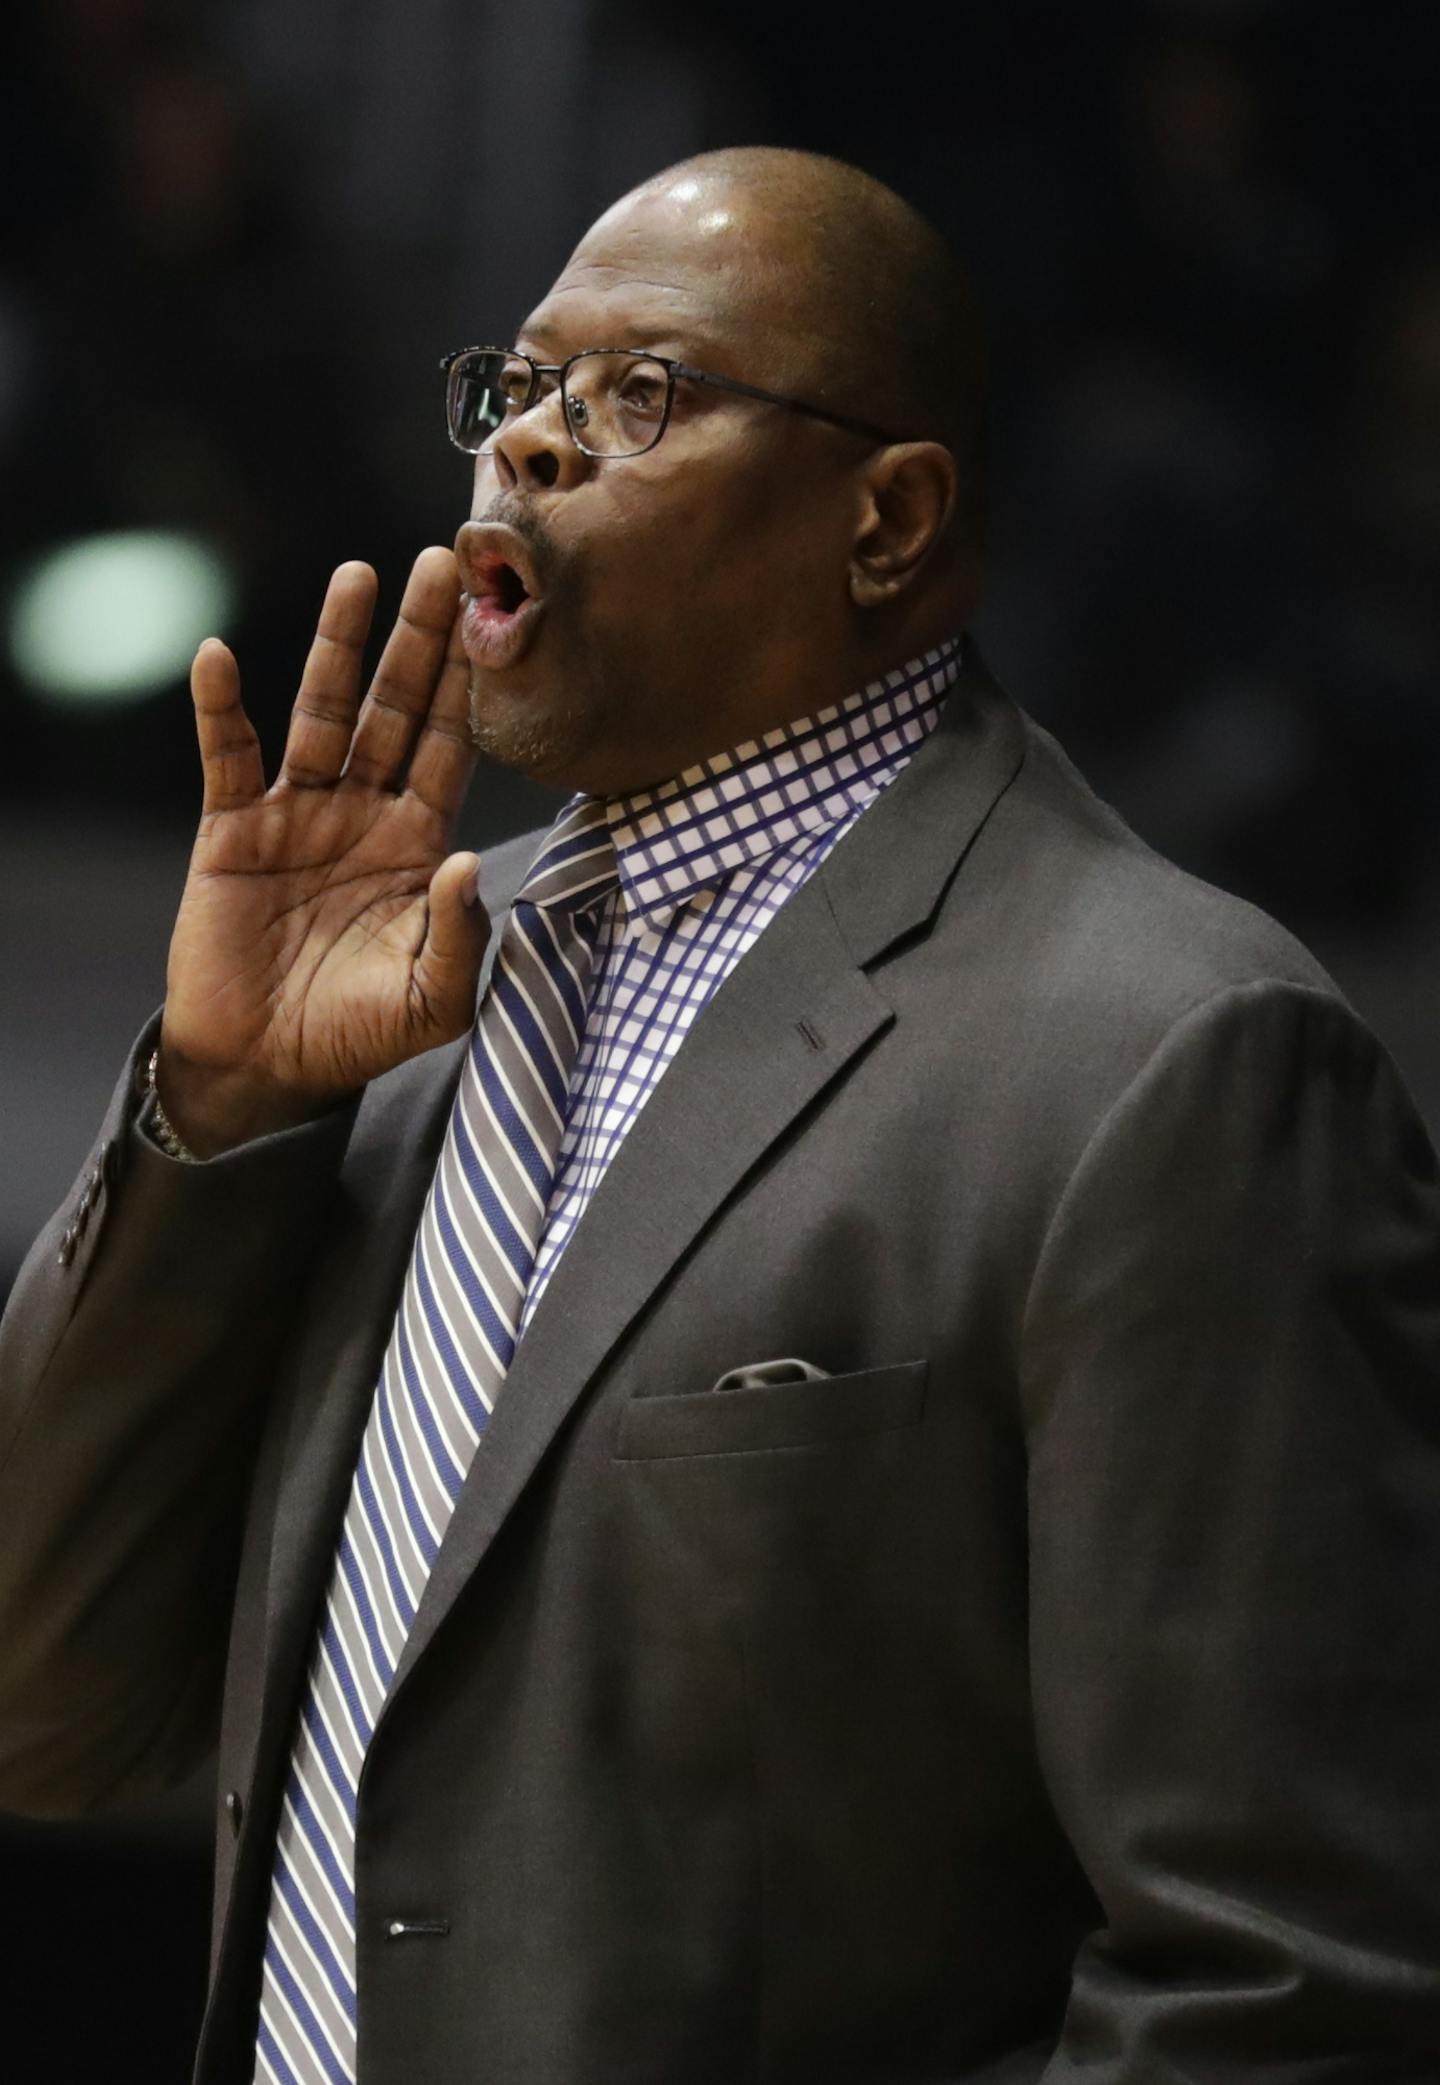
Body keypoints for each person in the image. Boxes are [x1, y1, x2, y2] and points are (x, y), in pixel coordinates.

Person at [1, 146, 1438, 2085]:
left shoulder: (1170, 1055)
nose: (527, 448)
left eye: (638, 396)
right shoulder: (398, 987)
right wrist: (224, 1100)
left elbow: (1283, 1985)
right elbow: (45, 1705)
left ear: (889, 518)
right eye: (514, 391)